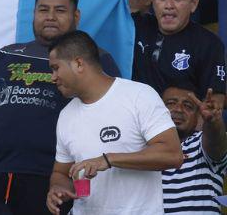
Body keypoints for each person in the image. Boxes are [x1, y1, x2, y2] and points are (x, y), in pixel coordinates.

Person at [0, 0, 120, 214]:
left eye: (60, 10)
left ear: (76, 16)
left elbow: (113, 114)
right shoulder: (8, 54)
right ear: (33, 14)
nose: (50, 17)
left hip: (63, 176)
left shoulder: (95, 58)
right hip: (4, 171)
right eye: (43, 10)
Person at [47, 31, 184, 215]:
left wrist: (109, 159)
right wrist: (57, 188)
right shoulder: (66, 115)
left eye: (56, 68)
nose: (52, 77)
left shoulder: (139, 96)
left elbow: (173, 155)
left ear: (79, 63)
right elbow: (61, 173)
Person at [128, 0, 227, 104]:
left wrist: (208, 117)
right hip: (133, 120)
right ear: (152, 0)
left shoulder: (209, 44)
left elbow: (214, 100)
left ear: (193, 3)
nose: (169, 5)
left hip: (181, 123)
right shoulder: (132, 28)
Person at [160, 84, 227, 213]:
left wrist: (213, 121)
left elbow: (215, 141)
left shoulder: (201, 143)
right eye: (171, 103)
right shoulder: (143, 149)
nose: (178, 109)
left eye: (188, 106)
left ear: (198, 117)